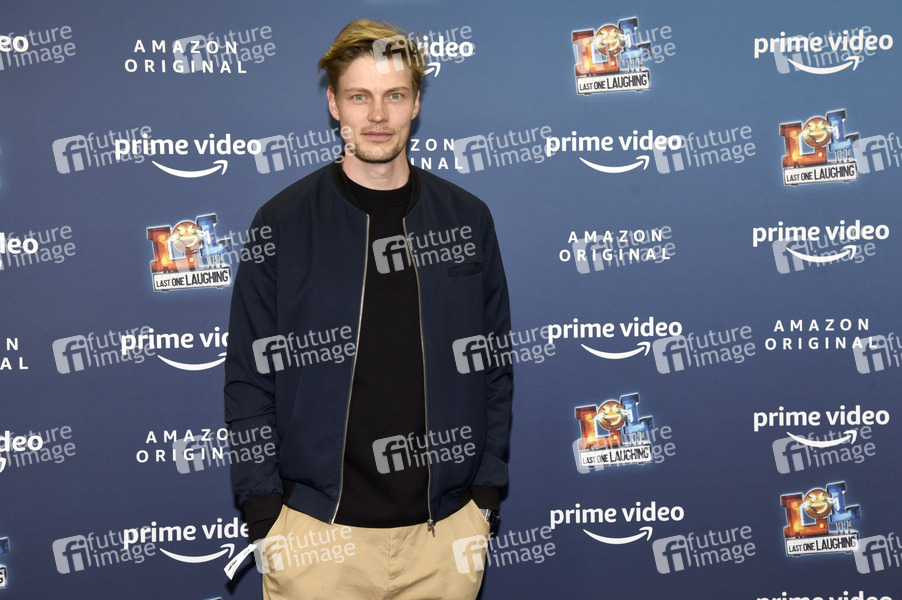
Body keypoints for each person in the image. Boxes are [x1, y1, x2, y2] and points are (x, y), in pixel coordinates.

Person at [224, 18, 513, 600]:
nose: (377, 115)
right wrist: (265, 514)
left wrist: (482, 500)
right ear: (334, 104)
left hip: (445, 540)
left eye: (394, 96)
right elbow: (249, 378)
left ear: (415, 104)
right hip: (314, 543)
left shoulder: (467, 219)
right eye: (360, 97)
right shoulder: (282, 222)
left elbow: (494, 366)